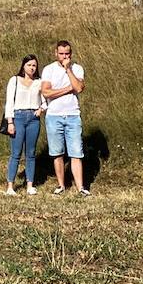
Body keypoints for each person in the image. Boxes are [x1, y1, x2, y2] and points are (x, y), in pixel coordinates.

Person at [41, 40, 88, 196]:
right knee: (57, 152)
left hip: (73, 115)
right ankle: (61, 185)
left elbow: (79, 88)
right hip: (54, 115)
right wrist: (69, 88)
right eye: (61, 54)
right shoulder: (48, 69)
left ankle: (80, 187)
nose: (64, 56)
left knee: (76, 152)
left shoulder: (77, 68)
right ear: (56, 53)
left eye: (67, 53)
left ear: (71, 54)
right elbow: (46, 92)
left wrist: (68, 70)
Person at [3, 54, 46, 195]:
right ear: (23, 66)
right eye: (29, 65)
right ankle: (10, 186)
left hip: (33, 118)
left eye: (34, 65)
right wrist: (10, 122)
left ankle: (30, 185)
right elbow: (9, 102)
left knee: (31, 153)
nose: (32, 68)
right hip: (18, 117)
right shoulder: (14, 80)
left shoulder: (39, 82)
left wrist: (41, 109)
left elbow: (46, 100)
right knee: (16, 153)